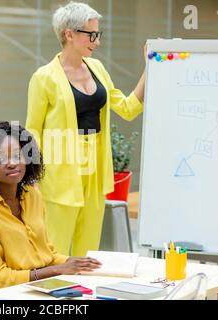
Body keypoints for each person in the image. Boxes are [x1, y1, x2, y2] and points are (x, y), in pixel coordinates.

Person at [25, 1, 146, 256]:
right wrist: (31, 178)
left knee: (88, 250)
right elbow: (33, 130)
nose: (97, 41)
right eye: (91, 34)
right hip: (59, 171)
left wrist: (150, 68)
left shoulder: (98, 68)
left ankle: (82, 295)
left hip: (96, 169)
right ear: (69, 34)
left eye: (97, 34)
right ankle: (54, 295)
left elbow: (126, 108)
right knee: (55, 249)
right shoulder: (44, 77)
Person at [0, 121, 101, 289]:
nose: (11, 163)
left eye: (17, 155)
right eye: (0, 157)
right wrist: (56, 270)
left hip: (43, 286)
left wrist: (75, 263)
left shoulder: (33, 195)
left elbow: (47, 254)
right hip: (10, 294)